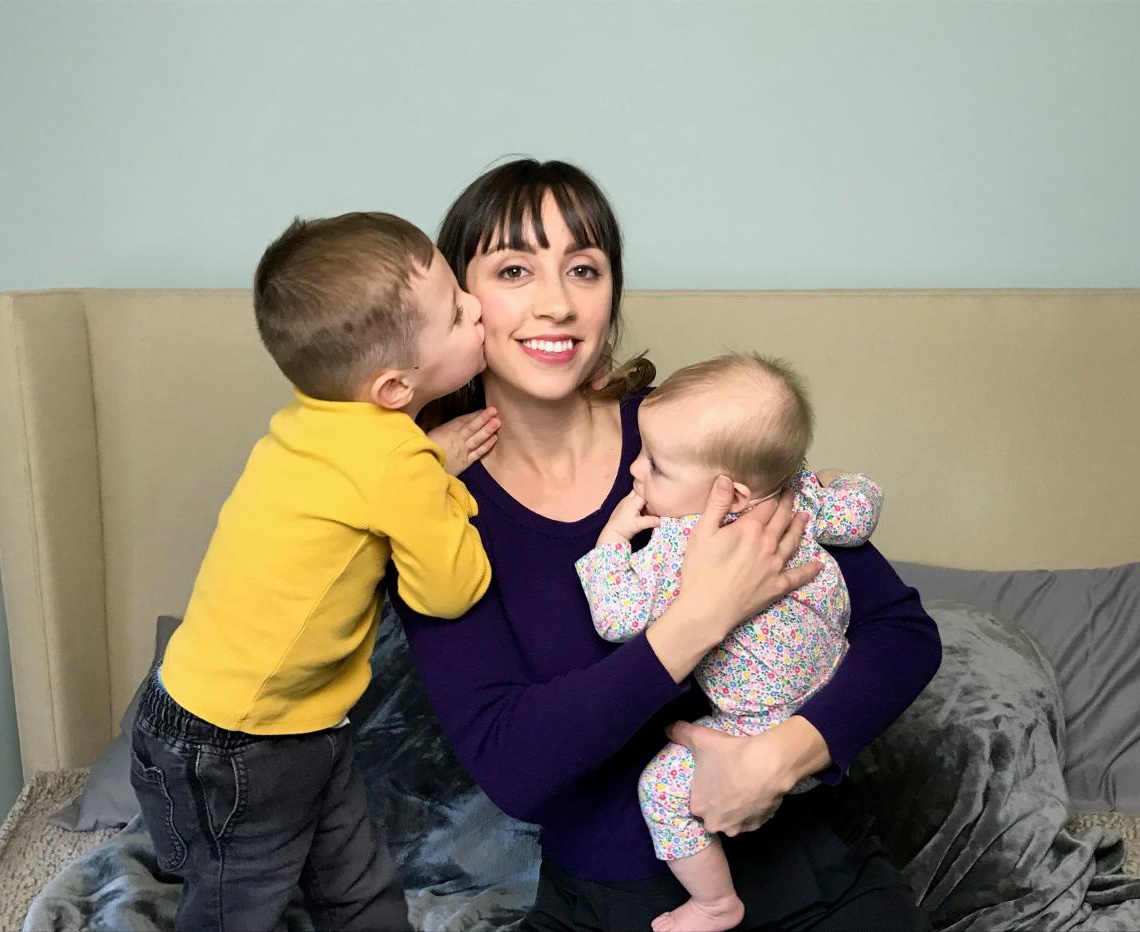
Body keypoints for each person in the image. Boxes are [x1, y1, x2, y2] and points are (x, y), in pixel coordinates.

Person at [398, 159, 940, 931]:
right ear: (461, 302)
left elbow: (901, 633)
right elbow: (513, 765)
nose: (556, 303)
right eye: (515, 268)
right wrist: (696, 623)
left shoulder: (685, 431)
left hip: (816, 880)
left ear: (611, 294)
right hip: (607, 909)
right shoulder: (430, 503)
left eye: (583, 268)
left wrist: (779, 758)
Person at [131, 212, 499, 931]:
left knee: (353, 874)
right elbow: (452, 591)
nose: (480, 307)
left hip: (239, 716)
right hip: (243, 744)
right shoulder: (397, 463)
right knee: (241, 903)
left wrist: (426, 462)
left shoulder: (311, 420)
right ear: (394, 388)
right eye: (459, 314)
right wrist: (441, 486)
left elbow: (360, 489)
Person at [576, 352, 884, 931]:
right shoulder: (795, 499)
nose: (635, 472)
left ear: (734, 494)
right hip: (834, 691)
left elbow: (616, 619)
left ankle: (715, 903)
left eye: (656, 467)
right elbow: (859, 515)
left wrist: (611, 544)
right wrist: (845, 481)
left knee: (661, 791)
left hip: (756, 723)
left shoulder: (677, 545)